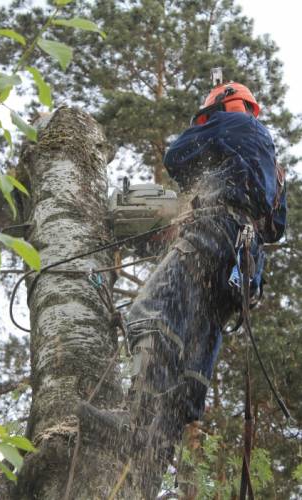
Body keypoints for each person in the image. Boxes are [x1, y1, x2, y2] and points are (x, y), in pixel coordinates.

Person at [127, 82, 286, 494]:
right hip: (242, 265)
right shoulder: (271, 160)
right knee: (199, 341)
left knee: (152, 310)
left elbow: (176, 157)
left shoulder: (225, 121)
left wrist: (203, 128)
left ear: (219, 105)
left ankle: (137, 414)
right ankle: (157, 451)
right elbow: (276, 228)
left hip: (213, 231)